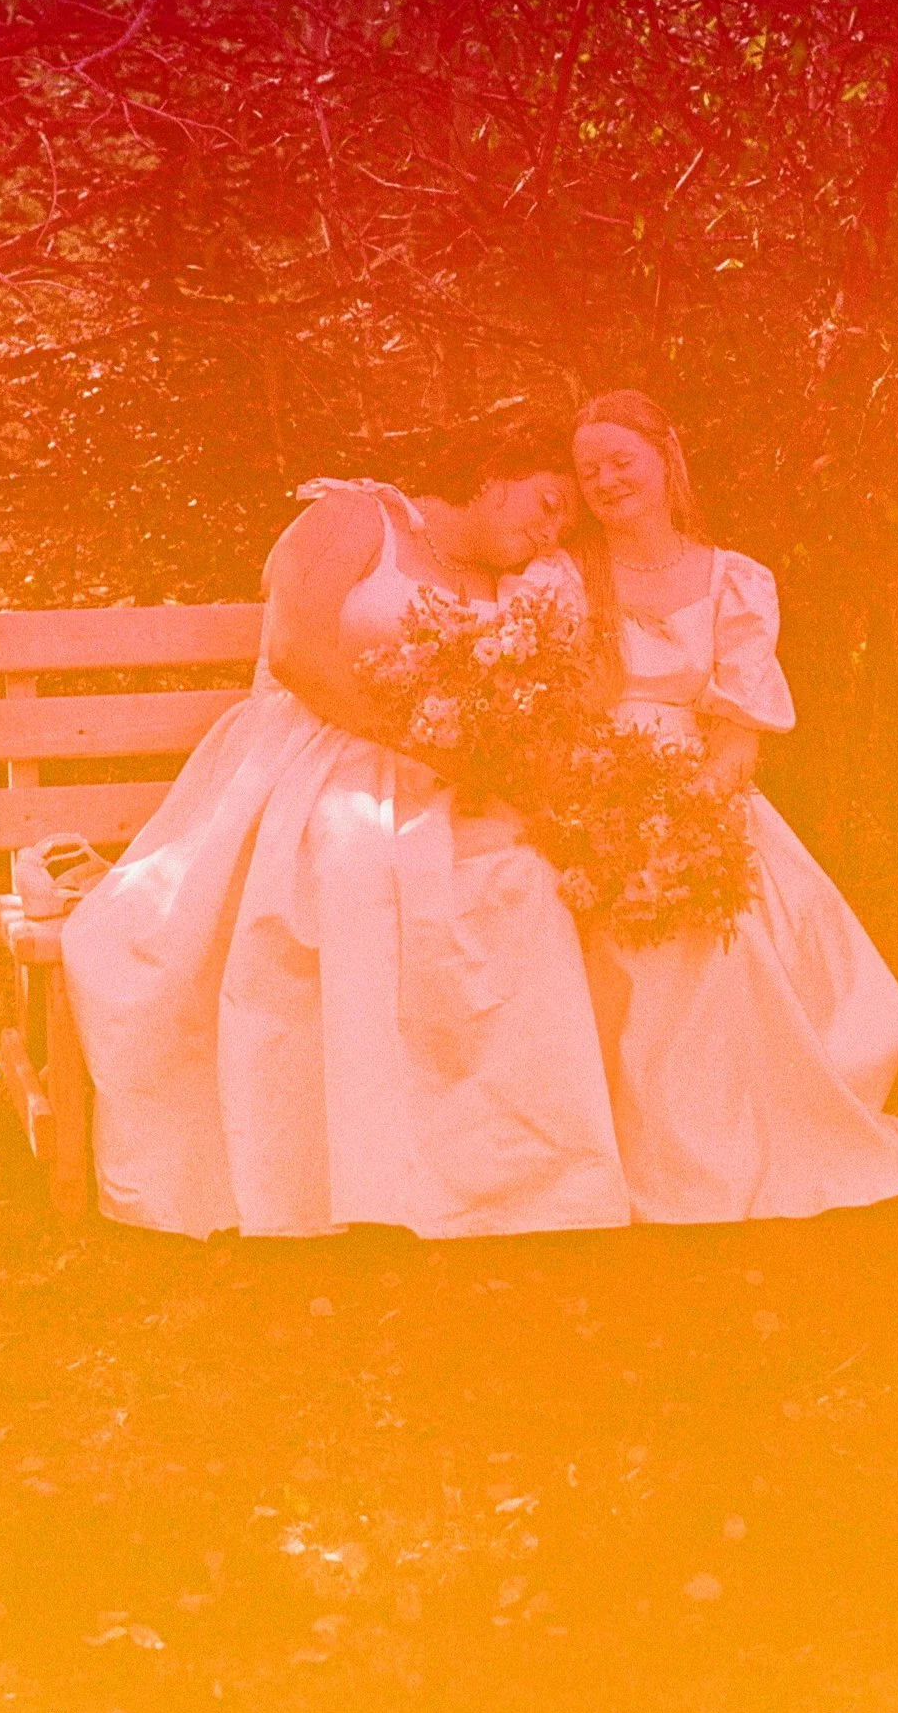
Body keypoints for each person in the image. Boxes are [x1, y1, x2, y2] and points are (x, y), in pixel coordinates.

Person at [61, 415, 631, 1240]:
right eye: (545, 505)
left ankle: (491, 1176)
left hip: (445, 783)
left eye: (561, 527)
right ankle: (326, 1175)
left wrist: (497, 761)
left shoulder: (519, 586)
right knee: (351, 868)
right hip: (312, 757)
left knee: (519, 883)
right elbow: (295, 652)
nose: (548, 532)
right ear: (496, 471)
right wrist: (424, 740)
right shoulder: (359, 518)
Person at [556, 388, 898, 1222]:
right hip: (579, 788)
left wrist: (686, 816)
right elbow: (546, 709)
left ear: (665, 456)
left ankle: (724, 1139)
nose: (607, 481)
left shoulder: (734, 580)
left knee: (712, 939)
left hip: (699, 788)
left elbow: (737, 738)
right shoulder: (566, 574)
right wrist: (600, 809)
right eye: (589, 472)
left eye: (621, 460)